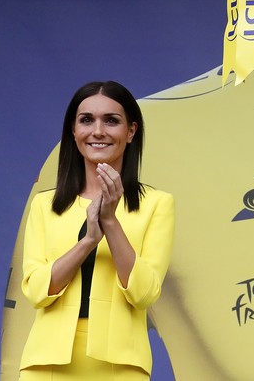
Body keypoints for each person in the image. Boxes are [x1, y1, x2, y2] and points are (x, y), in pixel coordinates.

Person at [18, 81, 175, 380]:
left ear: (131, 131)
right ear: (73, 132)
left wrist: (110, 222)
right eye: (86, 120)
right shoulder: (44, 205)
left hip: (122, 366)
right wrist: (88, 241)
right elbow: (36, 291)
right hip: (45, 364)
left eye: (111, 121)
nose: (98, 131)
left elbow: (144, 294)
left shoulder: (157, 204)